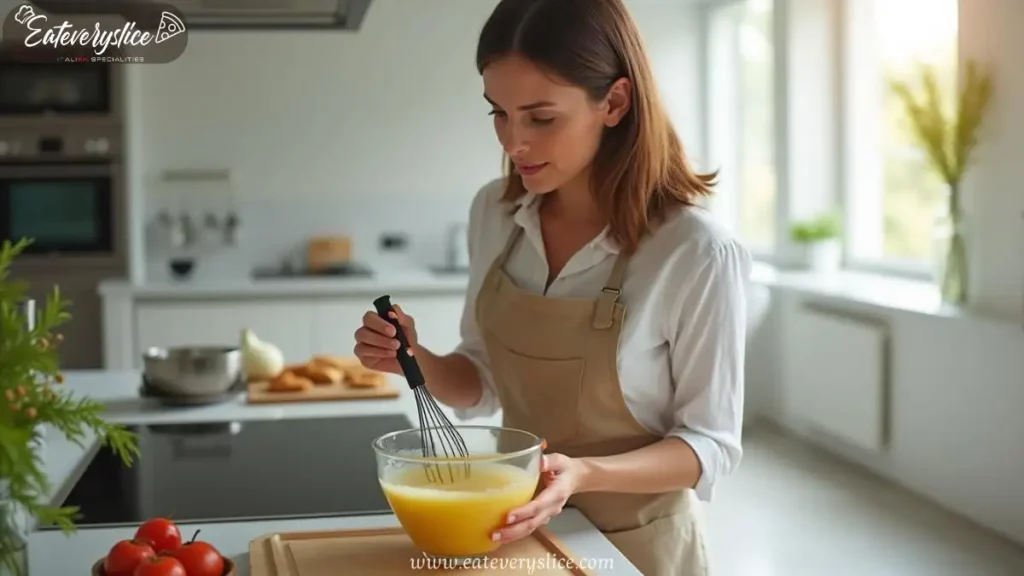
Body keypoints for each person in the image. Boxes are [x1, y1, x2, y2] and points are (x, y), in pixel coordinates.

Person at [353, 0, 751, 574]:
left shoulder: (694, 251)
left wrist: (586, 474)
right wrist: (416, 359)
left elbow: (711, 445)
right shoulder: (494, 212)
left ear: (613, 102)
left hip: (638, 547)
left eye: (541, 118)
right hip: (514, 536)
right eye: (498, 113)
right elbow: (482, 381)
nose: (514, 143)